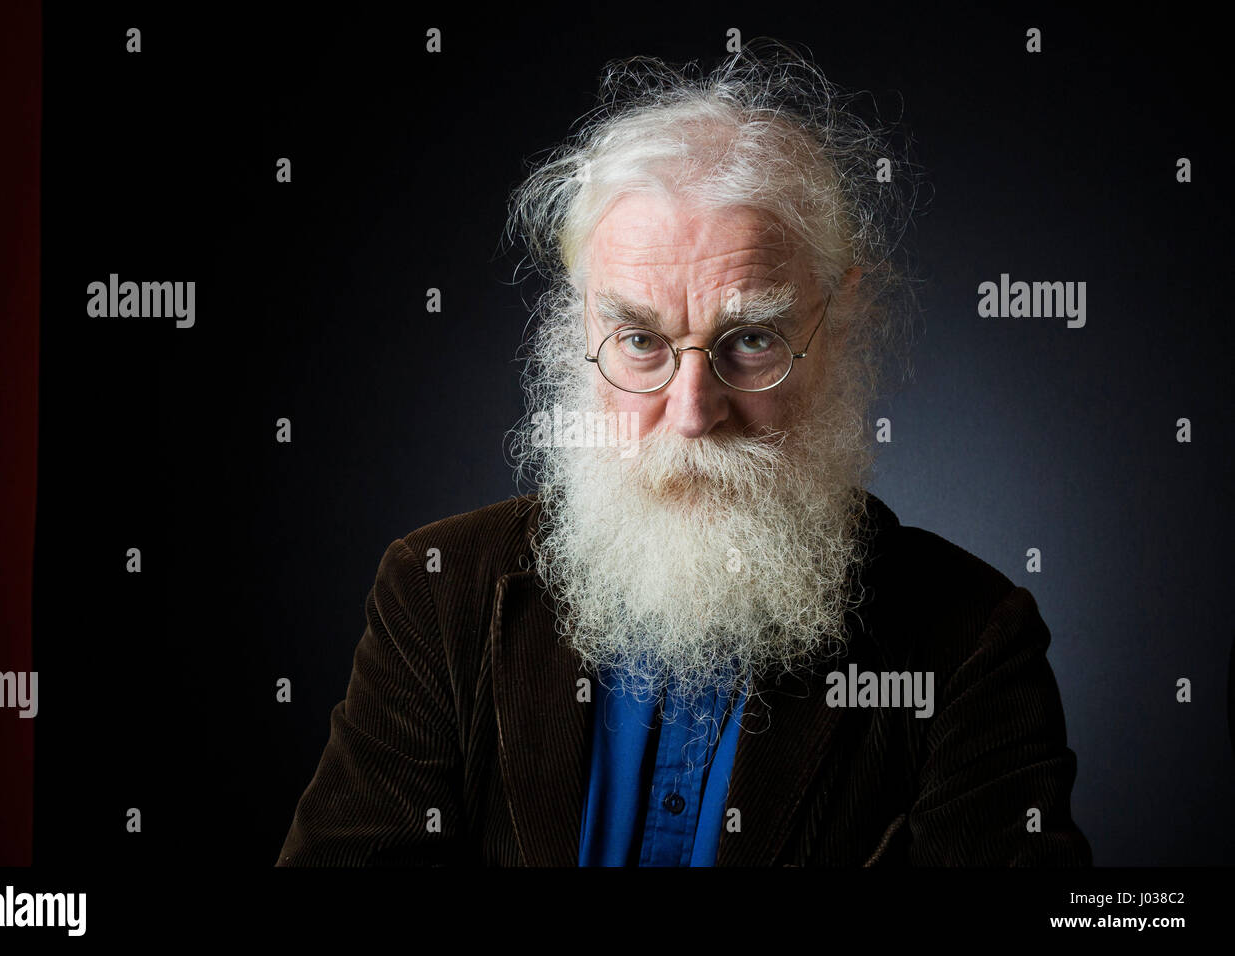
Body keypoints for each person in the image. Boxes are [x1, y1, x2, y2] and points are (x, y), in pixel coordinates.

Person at [275, 41, 1091, 866]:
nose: (694, 412)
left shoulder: (970, 644)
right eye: (639, 340)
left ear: (840, 325)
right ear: (578, 335)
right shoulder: (436, 592)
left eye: (751, 340)